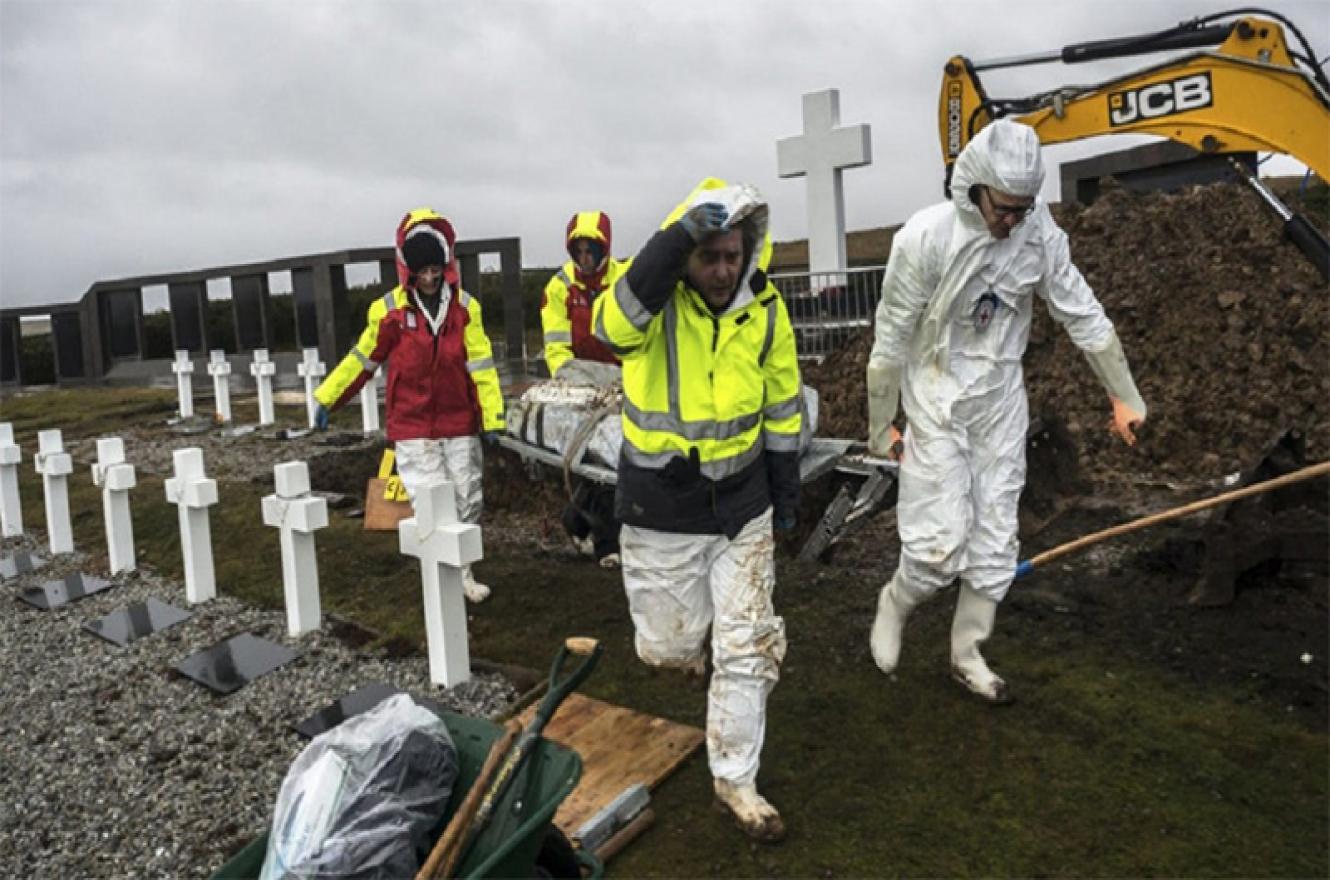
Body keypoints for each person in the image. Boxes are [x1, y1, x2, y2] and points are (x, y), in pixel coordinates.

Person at [865, 119, 1148, 702]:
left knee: (996, 539)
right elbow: (889, 341)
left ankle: (966, 651)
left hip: (999, 398)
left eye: (1022, 209)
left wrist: (1124, 395)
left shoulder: (1038, 236)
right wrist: (879, 424)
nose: (1010, 221)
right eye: (1003, 208)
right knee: (936, 545)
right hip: (937, 396)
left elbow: (1083, 314)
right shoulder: (925, 240)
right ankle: (895, 602)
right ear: (976, 188)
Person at [592, 178, 802, 843]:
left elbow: (783, 404)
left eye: (732, 255)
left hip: (742, 507)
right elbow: (610, 326)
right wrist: (674, 236)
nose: (721, 270)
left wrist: (786, 490)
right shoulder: (651, 301)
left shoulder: (765, 309)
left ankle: (735, 781)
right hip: (661, 510)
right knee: (667, 646)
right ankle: (694, 649)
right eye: (708, 255)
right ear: (685, 254)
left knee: (748, 644)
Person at [314, 207, 504, 603]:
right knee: (432, 501)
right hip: (414, 425)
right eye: (423, 272)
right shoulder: (388, 313)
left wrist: (493, 415)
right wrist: (327, 398)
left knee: (467, 498)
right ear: (408, 271)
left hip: (458, 422)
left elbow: (481, 366)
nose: (431, 279)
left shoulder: (466, 308)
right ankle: (441, 580)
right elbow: (361, 360)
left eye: (436, 270)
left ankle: (463, 572)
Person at [541, 211, 631, 568]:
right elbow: (556, 344)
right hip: (580, 389)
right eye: (578, 250)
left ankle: (577, 521)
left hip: (623, 385)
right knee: (596, 461)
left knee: (612, 460)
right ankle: (608, 544)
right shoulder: (560, 287)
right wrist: (570, 382)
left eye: (590, 248)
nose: (584, 257)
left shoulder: (624, 279)